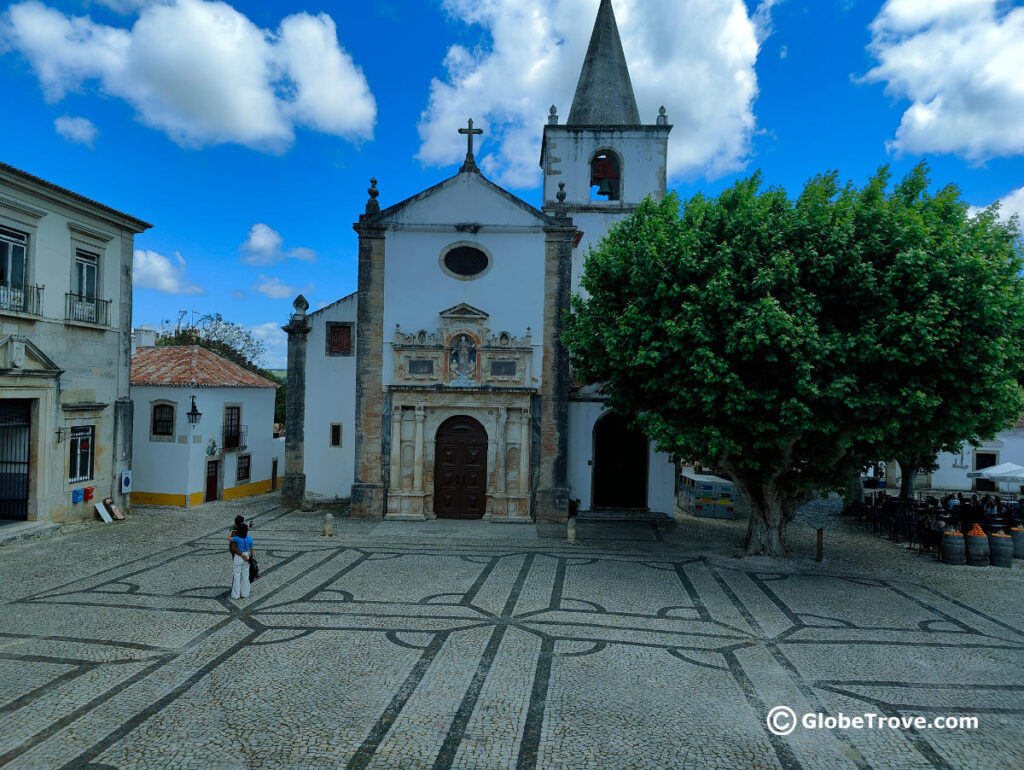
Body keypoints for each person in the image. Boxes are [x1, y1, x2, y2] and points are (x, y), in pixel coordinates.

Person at [230, 522, 254, 600]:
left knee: (237, 576)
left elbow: (229, 538)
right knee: (245, 576)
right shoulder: (249, 538)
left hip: (238, 557)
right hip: (246, 556)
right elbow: (252, 549)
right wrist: (251, 557)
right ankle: (245, 593)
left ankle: (235, 595)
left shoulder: (237, 538)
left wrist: (235, 531)